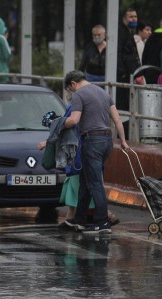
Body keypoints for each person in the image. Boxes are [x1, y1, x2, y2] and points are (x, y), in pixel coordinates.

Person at [61, 70, 129, 235]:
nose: (71, 93)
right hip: (107, 141)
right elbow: (117, 119)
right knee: (86, 181)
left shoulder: (79, 94)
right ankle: (80, 220)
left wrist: (60, 124)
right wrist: (124, 141)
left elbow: (75, 119)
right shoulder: (103, 93)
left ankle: (102, 222)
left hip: (91, 141)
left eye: (70, 90)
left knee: (95, 183)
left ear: (73, 84)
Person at [117, 7, 142, 114]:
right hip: (123, 76)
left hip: (129, 75)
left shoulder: (128, 31)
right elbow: (118, 51)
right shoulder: (121, 32)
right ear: (124, 18)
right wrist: (121, 71)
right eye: (131, 17)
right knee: (123, 106)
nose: (134, 19)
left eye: (135, 16)